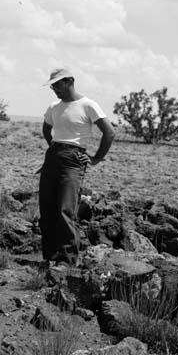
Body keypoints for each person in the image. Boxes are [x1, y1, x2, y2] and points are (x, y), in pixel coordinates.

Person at [39, 67, 115, 267]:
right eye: (52, 85)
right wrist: (54, 148)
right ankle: (49, 258)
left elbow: (109, 132)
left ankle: (66, 261)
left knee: (66, 209)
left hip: (73, 159)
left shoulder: (87, 105)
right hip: (53, 156)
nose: (54, 88)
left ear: (70, 81)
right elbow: (47, 128)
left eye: (57, 84)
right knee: (47, 208)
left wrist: (96, 158)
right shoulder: (54, 107)